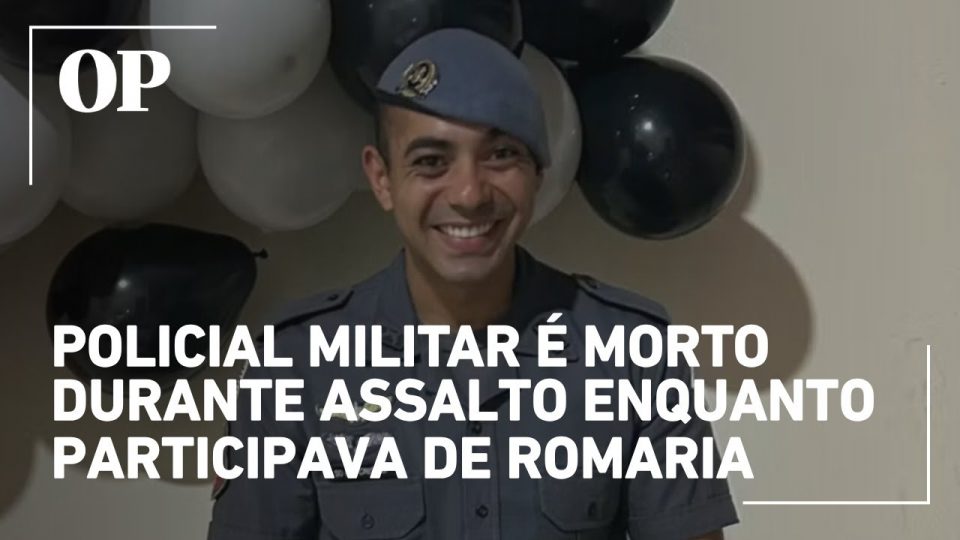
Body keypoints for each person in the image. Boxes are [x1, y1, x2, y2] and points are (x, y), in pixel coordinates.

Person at [208, 28, 739, 540]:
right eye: (431, 162)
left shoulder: (634, 356)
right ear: (382, 179)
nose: (469, 194)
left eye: (501, 155)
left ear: (538, 170)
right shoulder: (295, 368)